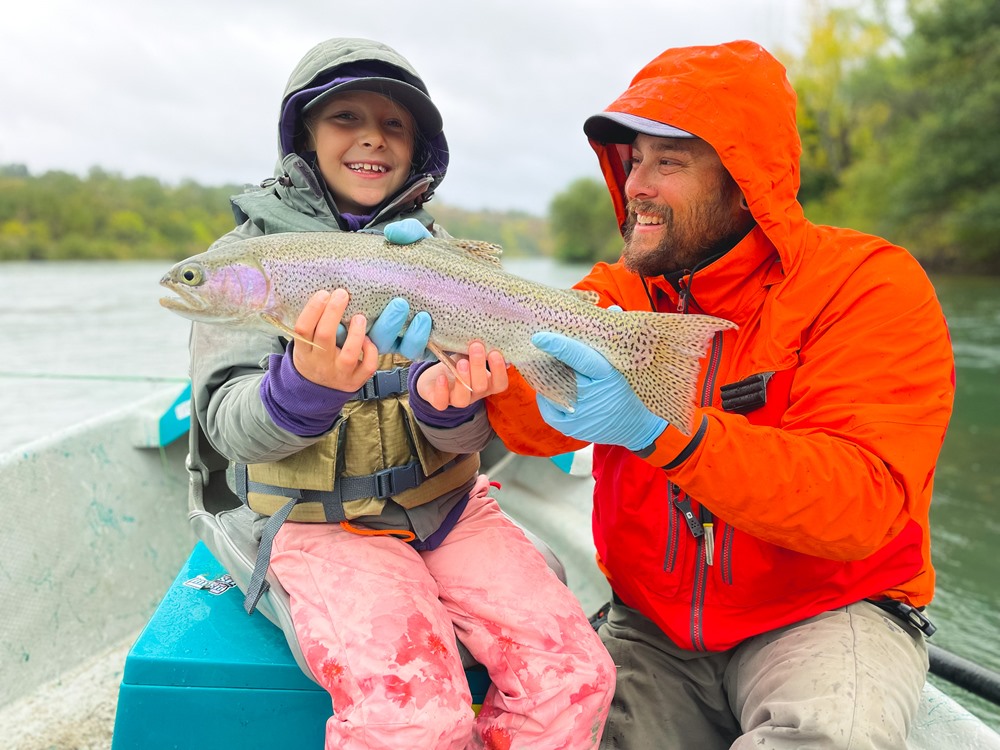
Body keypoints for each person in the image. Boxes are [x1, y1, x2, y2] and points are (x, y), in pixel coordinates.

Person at [409, 40, 955, 748]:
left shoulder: (868, 287)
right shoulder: (621, 291)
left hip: (827, 613)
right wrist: (448, 359)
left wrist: (667, 435)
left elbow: (862, 506)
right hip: (654, 627)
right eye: (634, 159)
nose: (638, 183)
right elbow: (539, 428)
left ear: (745, 180)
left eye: (670, 162)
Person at [189, 37, 613, 749]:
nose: (370, 139)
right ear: (303, 137)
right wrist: (304, 384)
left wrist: (451, 406)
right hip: (319, 520)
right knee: (411, 722)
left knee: (579, 678)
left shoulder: (434, 251)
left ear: (418, 149)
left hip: (447, 507)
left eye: (394, 125)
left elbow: (468, 439)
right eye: (345, 117)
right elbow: (229, 428)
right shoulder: (254, 253)